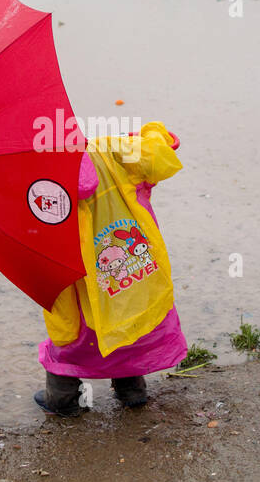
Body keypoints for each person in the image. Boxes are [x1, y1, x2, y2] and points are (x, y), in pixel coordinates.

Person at [34, 123, 187, 416]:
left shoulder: (39, 175)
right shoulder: (110, 151)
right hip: (123, 278)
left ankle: (63, 401)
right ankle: (132, 392)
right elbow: (156, 153)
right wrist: (153, 130)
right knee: (128, 324)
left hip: (76, 284)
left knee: (72, 339)